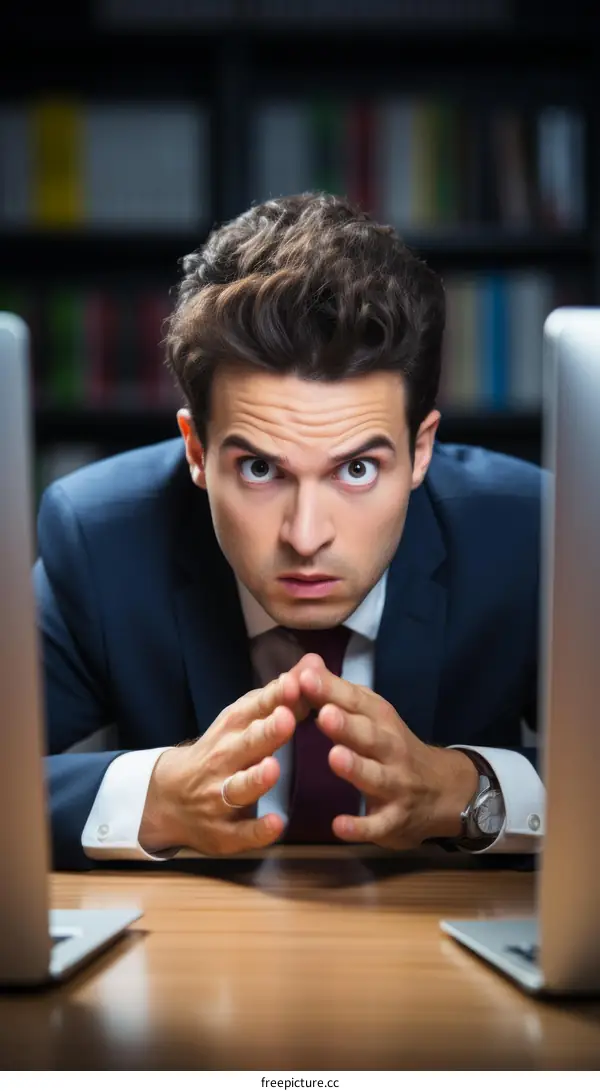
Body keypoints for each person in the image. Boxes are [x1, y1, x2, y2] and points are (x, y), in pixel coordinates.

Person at [36, 193, 545, 871]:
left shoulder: (524, 532)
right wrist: (155, 797)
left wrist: (471, 789)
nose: (306, 536)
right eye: (259, 468)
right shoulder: (101, 538)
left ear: (422, 450)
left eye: (358, 467)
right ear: (195, 450)